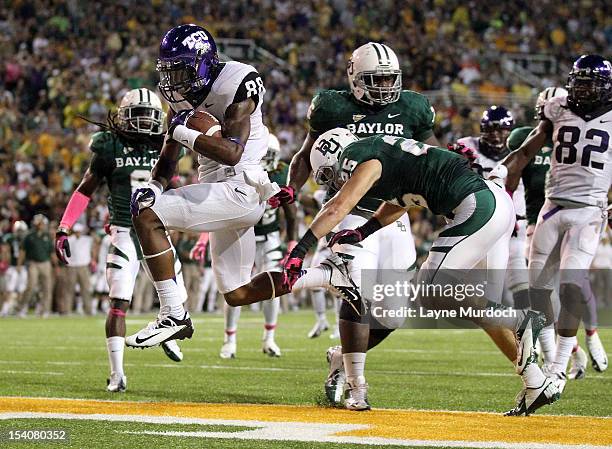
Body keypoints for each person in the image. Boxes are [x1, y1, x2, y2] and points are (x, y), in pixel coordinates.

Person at [281, 128, 559, 415]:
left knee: (432, 289)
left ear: (339, 156)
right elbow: (401, 202)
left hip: (477, 206)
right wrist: (364, 230)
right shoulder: (383, 154)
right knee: (449, 297)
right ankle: (536, 383)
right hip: (490, 203)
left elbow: (337, 207)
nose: (336, 182)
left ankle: (518, 319)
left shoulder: (364, 157)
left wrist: (299, 251)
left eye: (331, 174)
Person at [269, 42, 436, 406]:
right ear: (355, 78)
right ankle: (356, 385)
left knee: (394, 315)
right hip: (348, 211)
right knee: (354, 289)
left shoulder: (413, 106)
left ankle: (339, 360)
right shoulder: (332, 106)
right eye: (376, 80)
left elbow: (430, 154)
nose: (385, 87)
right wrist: (291, 187)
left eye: (390, 80)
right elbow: (304, 154)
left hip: (393, 214)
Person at [127, 24, 282, 347]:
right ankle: (322, 277)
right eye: (168, 71)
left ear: (202, 63)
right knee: (237, 294)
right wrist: (154, 186)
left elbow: (232, 153)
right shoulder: (182, 98)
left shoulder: (237, 82)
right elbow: (169, 160)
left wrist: (183, 131)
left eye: (180, 70)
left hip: (239, 187)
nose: (173, 81)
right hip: (224, 193)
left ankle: (173, 312)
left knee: (147, 215)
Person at [54, 88, 186, 393]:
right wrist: (64, 226)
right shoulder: (108, 145)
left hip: (156, 232)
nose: (142, 122)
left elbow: (174, 187)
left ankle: (167, 333)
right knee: (118, 302)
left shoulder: (166, 144)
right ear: (123, 116)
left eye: (148, 115)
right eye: (136, 114)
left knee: (180, 300)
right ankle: (117, 374)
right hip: (125, 233)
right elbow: (85, 189)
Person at [502, 55, 612, 391]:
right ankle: (554, 360)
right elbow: (524, 152)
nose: (582, 88)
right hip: (551, 208)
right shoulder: (557, 108)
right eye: (578, 81)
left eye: (590, 82)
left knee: (572, 284)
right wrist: (504, 178)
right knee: (539, 293)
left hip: (589, 209)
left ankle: (559, 366)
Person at [199, 133, 297, 359]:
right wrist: (204, 237)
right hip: (241, 234)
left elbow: (290, 213)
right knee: (235, 287)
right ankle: (229, 340)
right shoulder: (238, 172)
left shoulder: (281, 173)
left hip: (270, 237)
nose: (264, 161)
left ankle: (269, 338)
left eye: (268, 156)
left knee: (273, 290)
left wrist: (291, 242)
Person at [456, 106, 529, 310]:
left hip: (516, 226)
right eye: (490, 129)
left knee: (519, 279)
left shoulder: (522, 152)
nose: (495, 135)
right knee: (484, 289)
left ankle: (526, 331)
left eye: (501, 129)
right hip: (481, 225)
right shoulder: (466, 147)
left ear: (511, 130)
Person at [19, 214, 54, 317]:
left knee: (47, 287)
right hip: (33, 263)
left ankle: (45, 310)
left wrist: (55, 266)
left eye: (42, 223)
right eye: (39, 223)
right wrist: (19, 264)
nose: (41, 225)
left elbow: (51, 252)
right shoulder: (29, 236)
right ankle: (22, 307)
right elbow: (22, 251)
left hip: (46, 263)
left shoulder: (47, 236)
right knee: (30, 286)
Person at [63, 223, 95, 315]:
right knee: (69, 289)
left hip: (83, 266)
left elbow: (95, 242)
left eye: (79, 231)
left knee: (86, 289)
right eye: (77, 231)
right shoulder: (69, 240)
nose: (78, 233)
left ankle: (88, 310)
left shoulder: (87, 239)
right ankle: (67, 310)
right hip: (71, 266)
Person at [1, 221, 29, 316]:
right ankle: (5, 309)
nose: (21, 233)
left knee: (22, 289)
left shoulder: (25, 239)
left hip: (22, 267)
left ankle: (20, 309)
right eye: (19, 230)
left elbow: (25, 253)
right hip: (12, 267)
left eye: (22, 231)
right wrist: (6, 264)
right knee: (9, 289)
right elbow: (6, 252)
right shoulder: (10, 238)